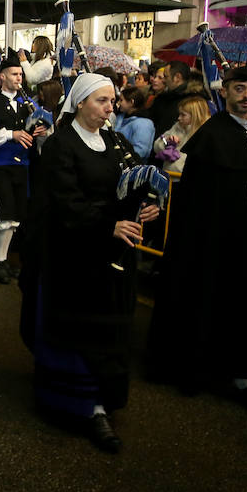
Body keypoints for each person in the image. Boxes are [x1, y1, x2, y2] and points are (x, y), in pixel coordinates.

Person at [148, 54, 247, 418]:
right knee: (205, 298)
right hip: (212, 238)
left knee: (244, 304)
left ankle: (243, 376)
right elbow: (200, 194)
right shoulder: (212, 135)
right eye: (240, 89)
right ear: (225, 91)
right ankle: (193, 368)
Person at [20, 73, 159, 452]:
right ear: (80, 103)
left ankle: (104, 398)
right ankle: (84, 406)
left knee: (111, 330)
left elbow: (132, 180)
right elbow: (65, 202)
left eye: (111, 101)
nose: (109, 108)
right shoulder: (61, 145)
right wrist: (107, 224)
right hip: (75, 255)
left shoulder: (115, 140)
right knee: (81, 333)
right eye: (101, 101)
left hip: (113, 253)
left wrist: (147, 204)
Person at [0, 51, 48, 283]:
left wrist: (40, 132)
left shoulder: (28, 104)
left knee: (15, 215)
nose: (19, 78)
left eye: (20, 74)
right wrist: (11, 134)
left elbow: (43, 136)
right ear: (3, 77)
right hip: (1, 165)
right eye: (14, 74)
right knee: (3, 214)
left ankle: (4, 259)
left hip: (23, 166)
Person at [153, 95, 210, 172]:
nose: (179, 118)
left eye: (183, 115)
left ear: (195, 115)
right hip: (169, 176)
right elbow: (156, 147)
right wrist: (166, 142)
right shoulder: (177, 127)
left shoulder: (205, 133)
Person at [113, 86, 156, 161]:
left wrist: (120, 155)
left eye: (121, 100)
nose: (118, 103)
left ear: (131, 102)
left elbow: (140, 151)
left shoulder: (144, 124)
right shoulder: (121, 117)